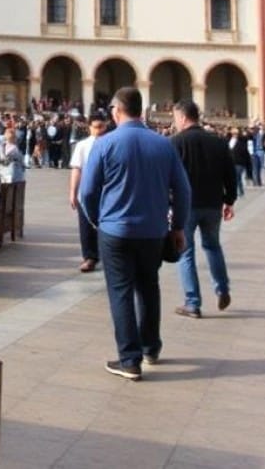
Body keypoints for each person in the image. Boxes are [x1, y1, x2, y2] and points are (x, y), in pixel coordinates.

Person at [80, 87, 190, 380]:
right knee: (148, 287)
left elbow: (87, 192)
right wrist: (178, 226)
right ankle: (151, 347)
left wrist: (96, 219)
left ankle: (129, 359)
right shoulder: (163, 144)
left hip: (115, 229)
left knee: (120, 291)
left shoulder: (104, 144)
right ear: (140, 110)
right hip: (153, 231)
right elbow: (183, 189)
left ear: (116, 111)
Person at [170, 101, 236, 319]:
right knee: (213, 247)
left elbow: (168, 177)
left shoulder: (175, 142)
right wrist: (229, 200)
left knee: (185, 252)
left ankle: (192, 302)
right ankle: (223, 289)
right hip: (213, 204)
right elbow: (230, 173)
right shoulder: (218, 142)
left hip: (186, 206)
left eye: (175, 118)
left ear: (182, 117)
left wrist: (168, 204)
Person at [69, 115, 107, 272]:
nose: (98, 130)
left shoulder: (111, 143)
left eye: (101, 126)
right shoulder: (82, 145)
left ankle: (107, 256)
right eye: (95, 127)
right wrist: (73, 191)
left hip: (106, 193)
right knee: (86, 226)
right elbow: (76, 169)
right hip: (86, 191)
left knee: (106, 227)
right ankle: (89, 257)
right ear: (89, 127)